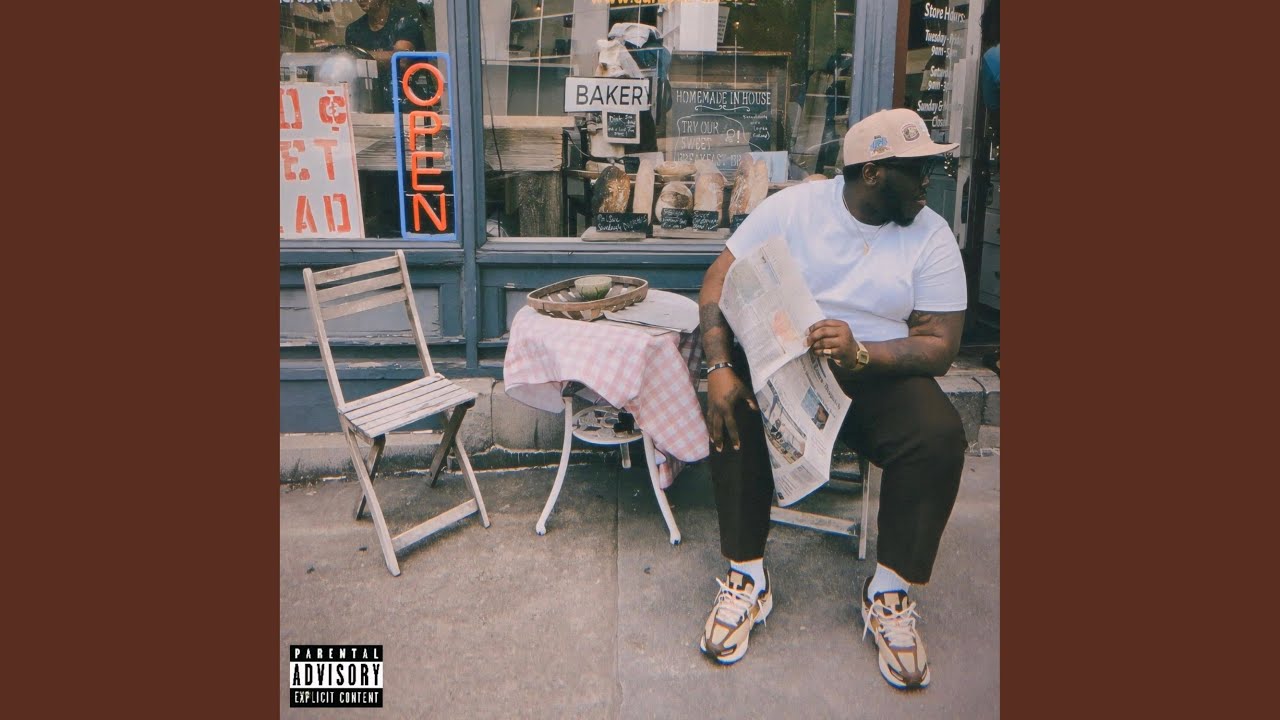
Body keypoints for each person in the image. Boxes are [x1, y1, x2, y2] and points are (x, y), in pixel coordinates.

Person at [696, 107, 968, 690]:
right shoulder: (796, 209)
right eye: (916, 169)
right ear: (872, 172)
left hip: (877, 369)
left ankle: (888, 591)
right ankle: (747, 578)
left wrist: (863, 352)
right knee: (730, 405)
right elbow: (720, 277)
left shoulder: (931, 234)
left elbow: (940, 344)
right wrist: (718, 367)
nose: (927, 181)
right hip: (789, 363)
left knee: (939, 436)